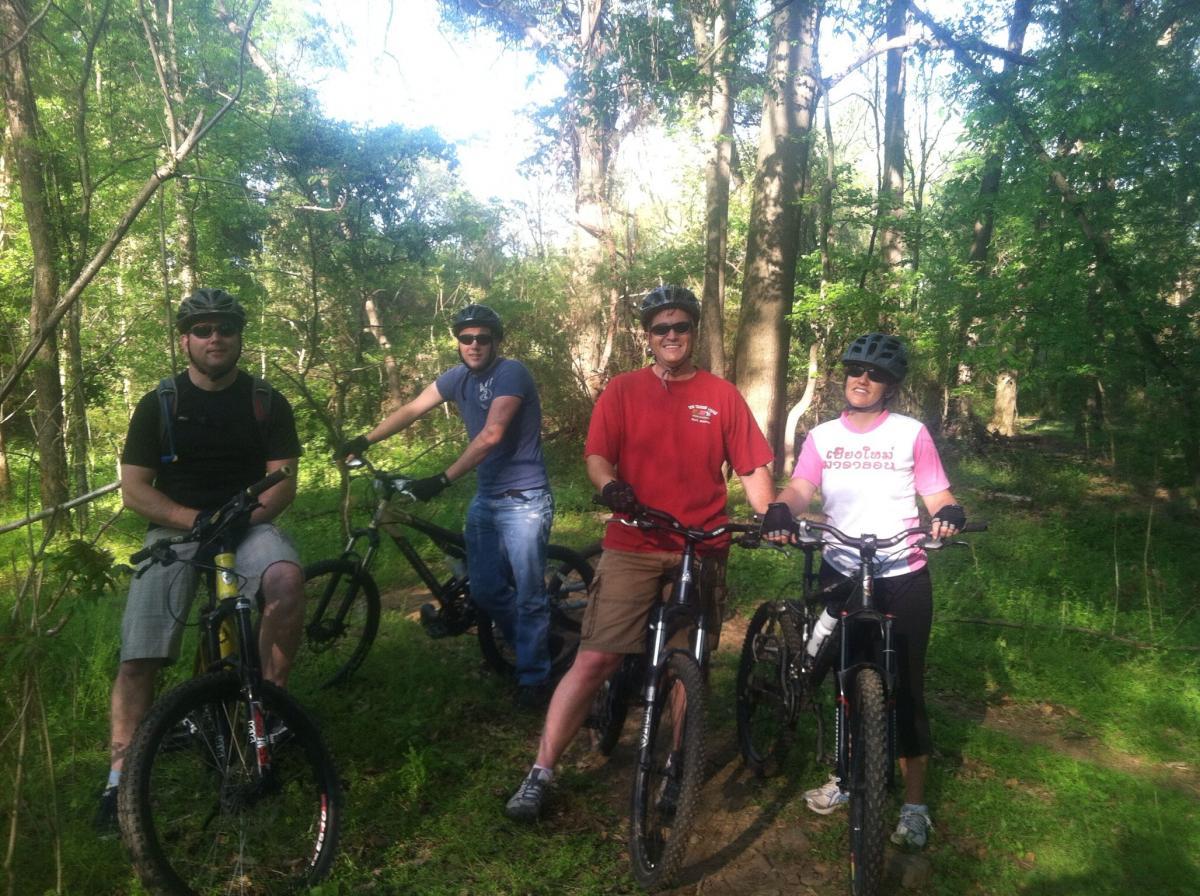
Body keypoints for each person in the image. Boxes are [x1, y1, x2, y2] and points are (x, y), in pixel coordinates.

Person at [505, 284, 776, 823]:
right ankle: (540, 772)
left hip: (701, 547)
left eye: (681, 327)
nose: (671, 336)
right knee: (597, 657)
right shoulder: (622, 391)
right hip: (635, 542)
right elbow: (598, 456)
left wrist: (774, 514)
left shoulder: (721, 395)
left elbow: (751, 469)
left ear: (694, 332)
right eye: (661, 328)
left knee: (687, 666)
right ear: (647, 336)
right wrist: (611, 489)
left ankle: (677, 765)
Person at [96, 288, 305, 831]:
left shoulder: (267, 401)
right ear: (185, 340)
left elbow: (283, 481)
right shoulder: (158, 403)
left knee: (284, 581)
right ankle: (118, 780)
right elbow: (134, 489)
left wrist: (244, 518)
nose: (216, 338)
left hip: (248, 524)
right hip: (175, 528)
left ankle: (269, 713)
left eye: (225, 329)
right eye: (204, 329)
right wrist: (193, 521)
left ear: (239, 337)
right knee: (140, 655)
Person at [759, 332, 966, 850]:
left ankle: (914, 807)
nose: (861, 378)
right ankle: (846, 778)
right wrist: (782, 506)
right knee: (846, 679)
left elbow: (936, 493)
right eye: (854, 369)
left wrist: (948, 512)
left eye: (874, 374)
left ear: (890, 385)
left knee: (907, 688)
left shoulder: (910, 433)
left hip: (902, 572)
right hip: (842, 566)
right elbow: (801, 487)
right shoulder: (823, 436)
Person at [337, 304, 556, 710]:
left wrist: (440, 480)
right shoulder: (457, 378)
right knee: (487, 590)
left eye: (482, 338)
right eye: (466, 338)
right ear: (457, 342)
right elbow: (411, 410)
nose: (473, 345)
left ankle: (536, 674)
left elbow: (491, 435)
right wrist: (364, 441)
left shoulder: (511, 373)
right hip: (487, 498)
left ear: (496, 341)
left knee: (528, 594)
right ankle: (535, 639)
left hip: (524, 500)